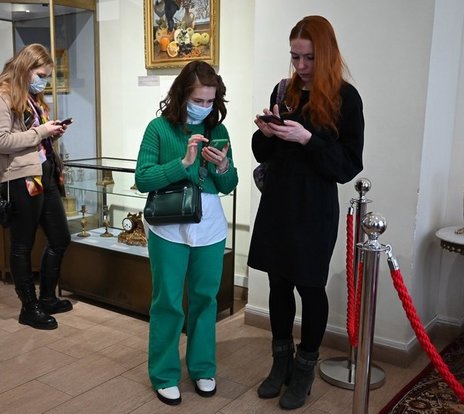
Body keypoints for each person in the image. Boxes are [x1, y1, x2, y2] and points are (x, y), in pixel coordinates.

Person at [248, 15, 364, 410]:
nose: (300, 66)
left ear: (326, 54)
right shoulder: (285, 91)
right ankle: (280, 363)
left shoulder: (346, 98)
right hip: (278, 202)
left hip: (314, 207)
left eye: (309, 58)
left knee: (310, 287)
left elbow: (348, 165)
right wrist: (265, 133)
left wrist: (308, 138)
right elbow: (264, 153)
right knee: (278, 284)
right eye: (295, 56)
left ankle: (303, 370)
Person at [135, 60, 238, 406]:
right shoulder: (158, 129)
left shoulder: (218, 130)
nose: (204, 107)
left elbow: (229, 184)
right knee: (167, 301)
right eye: (198, 100)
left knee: (205, 299)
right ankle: (164, 373)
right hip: (169, 226)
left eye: (210, 101)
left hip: (210, 228)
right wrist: (182, 163)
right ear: (182, 96)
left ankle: (202, 367)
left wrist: (222, 166)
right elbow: (142, 178)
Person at [0, 43, 73, 330]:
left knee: (60, 238)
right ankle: (29, 308)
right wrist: (40, 132)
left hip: (44, 173)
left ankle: (47, 298)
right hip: (20, 178)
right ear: (25, 68)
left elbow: (33, 138)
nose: (43, 81)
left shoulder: (31, 97)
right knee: (22, 244)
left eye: (46, 76)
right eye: (41, 75)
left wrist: (51, 132)